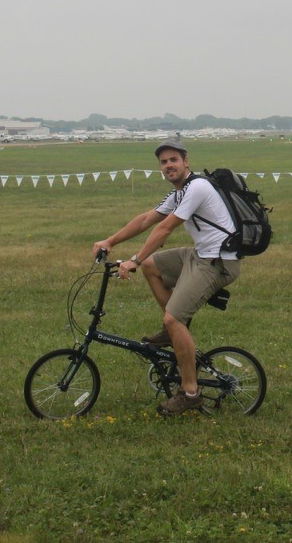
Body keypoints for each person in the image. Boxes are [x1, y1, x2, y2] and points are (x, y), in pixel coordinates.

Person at [92, 141, 241, 415]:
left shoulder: (197, 187)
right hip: (200, 255)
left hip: (218, 262)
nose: (168, 165)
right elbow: (147, 219)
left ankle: (190, 393)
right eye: (163, 162)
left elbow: (165, 228)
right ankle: (174, 331)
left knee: (172, 317)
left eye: (173, 159)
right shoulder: (180, 192)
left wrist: (133, 260)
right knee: (152, 266)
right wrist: (110, 241)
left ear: (186, 161)